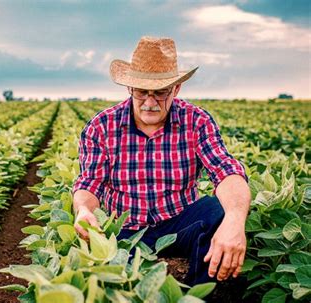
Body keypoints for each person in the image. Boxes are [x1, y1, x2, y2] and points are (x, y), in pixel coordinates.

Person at [72, 36, 251, 286]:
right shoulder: (102, 126)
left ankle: (195, 294)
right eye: (142, 92)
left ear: (176, 90)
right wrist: (83, 210)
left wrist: (234, 220)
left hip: (179, 222)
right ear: (129, 88)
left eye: (160, 93)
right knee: (111, 271)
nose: (149, 102)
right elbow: (90, 183)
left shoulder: (196, 121)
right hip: (127, 228)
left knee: (218, 212)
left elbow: (226, 171)